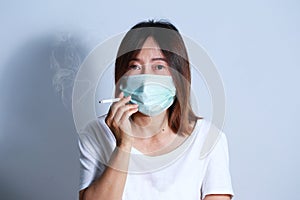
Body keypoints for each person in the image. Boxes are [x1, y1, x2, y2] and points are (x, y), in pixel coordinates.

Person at [78, 20, 234, 200]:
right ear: (121, 74)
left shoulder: (208, 138)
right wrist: (124, 145)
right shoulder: (96, 133)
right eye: (135, 66)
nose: (146, 79)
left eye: (159, 66)